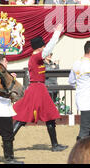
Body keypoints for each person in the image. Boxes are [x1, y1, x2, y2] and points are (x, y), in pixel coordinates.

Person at [12, 24, 68, 152]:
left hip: (37, 88)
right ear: (40, 47)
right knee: (36, 116)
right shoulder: (36, 57)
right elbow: (48, 49)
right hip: (38, 89)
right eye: (43, 46)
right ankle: (54, 145)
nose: (45, 49)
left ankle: (8, 140)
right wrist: (56, 33)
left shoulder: (35, 58)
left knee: (26, 117)